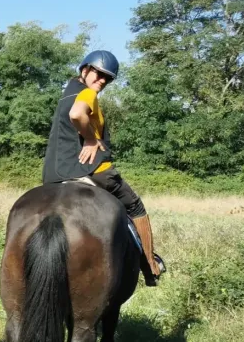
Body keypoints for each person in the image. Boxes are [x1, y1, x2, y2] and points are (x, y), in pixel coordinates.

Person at [42, 50, 165, 284]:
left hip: (54, 174)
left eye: (107, 78)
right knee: (136, 206)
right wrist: (89, 138)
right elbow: (77, 115)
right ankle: (150, 265)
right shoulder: (87, 94)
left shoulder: (68, 91)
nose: (102, 81)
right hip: (94, 171)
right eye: (99, 74)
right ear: (85, 69)